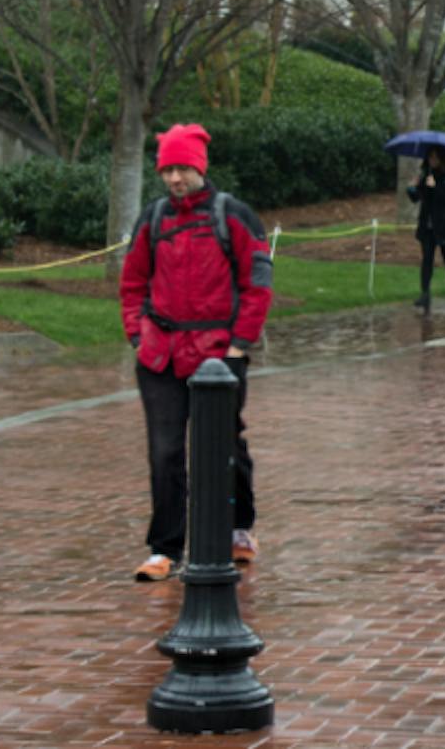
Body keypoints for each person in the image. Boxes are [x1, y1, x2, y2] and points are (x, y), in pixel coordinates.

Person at [120, 123, 273, 582]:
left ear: (199, 168)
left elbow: (257, 284)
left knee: (224, 447)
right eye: (167, 169)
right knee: (166, 452)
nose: (174, 179)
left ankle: (238, 526)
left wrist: (238, 345)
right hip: (160, 356)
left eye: (182, 168)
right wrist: (137, 335)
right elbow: (131, 283)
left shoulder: (233, 215)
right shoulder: (153, 219)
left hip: (218, 356)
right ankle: (164, 548)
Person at [407, 146, 445, 312]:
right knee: (427, 260)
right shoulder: (426, 175)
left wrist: (435, 186)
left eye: (436, 157)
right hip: (428, 226)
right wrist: (412, 187)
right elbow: (416, 197)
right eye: (430, 157)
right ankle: (425, 293)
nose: (433, 160)